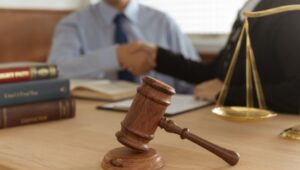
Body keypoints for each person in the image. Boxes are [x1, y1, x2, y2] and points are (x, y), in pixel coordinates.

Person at [119, 0, 300, 114]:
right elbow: (216, 74)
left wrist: (227, 94)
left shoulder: (288, 12)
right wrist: (158, 57)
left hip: (265, 137)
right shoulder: (250, 8)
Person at [47, 0, 200, 93]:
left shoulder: (163, 22)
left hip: (163, 118)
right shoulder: (72, 24)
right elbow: (55, 72)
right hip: (96, 118)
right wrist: (116, 56)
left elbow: (194, 80)